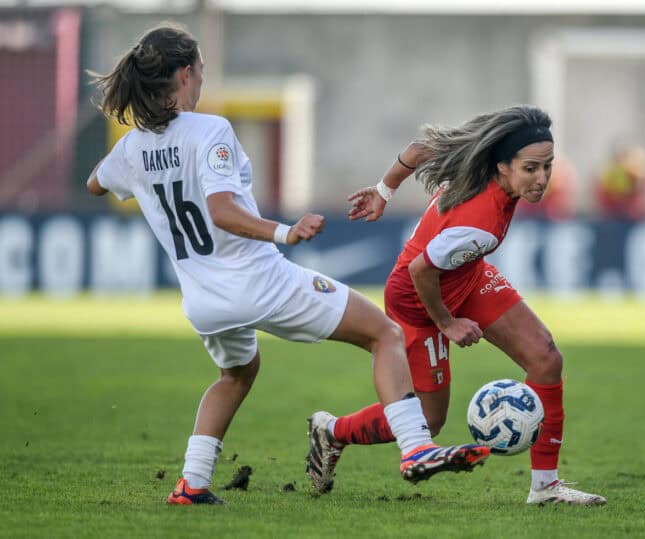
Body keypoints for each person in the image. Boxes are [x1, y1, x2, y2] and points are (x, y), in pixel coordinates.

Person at [85, 24, 490, 506]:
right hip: (260, 280)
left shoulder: (132, 147)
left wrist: (140, 167)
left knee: (235, 374)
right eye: (201, 73)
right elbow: (219, 211)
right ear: (185, 73)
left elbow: (95, 183)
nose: (202, 82)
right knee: (384, 334)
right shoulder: (209, 130)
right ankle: (416, 449)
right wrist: (285, 231)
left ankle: (192, 483)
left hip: (203, 299)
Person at [306, 105, 606, 506]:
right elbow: (420, 270)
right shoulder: (477, 223)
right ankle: (333, 432)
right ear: (502, 167)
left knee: (546, 358)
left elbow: (417, 150)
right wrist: (446, 323)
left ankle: (546, 488)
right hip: (419, 299)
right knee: (428, 421)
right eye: (530, 168)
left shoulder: (478, 167)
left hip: (467, 277)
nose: (541, 179)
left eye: (547, 167)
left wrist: (383, 191)